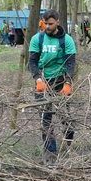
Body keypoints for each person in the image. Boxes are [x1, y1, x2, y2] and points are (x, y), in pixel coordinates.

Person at [28, 9, 77, 158]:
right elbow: (32, 62)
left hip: (61, 80)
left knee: (65, 116)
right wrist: (38, 79)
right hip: (43, 81)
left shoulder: (67, 40)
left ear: (57, 22)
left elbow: (71, 63)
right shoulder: (37, 39)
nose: (47, 27)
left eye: (50, 24)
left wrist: (68, 82)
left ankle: (69, 142)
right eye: (45, 23)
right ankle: (51, 154)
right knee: (46, 119)